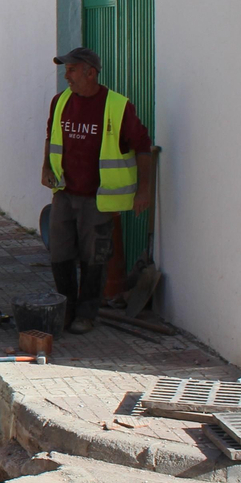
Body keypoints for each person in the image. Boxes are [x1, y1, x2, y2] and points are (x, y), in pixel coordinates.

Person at [40, 47, 153, 333]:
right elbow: (50, 136)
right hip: (64, 192)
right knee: (60, 254)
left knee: (95, 258)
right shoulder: (60, 101)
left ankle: (86, 314)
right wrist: (45, 167)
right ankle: (66, 308)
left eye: (72, 70)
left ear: (91, 72)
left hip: (97, 198)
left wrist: (145, 190)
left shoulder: (116, 106)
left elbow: (142, 147)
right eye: (66, 70)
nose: (67, 76)